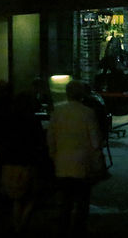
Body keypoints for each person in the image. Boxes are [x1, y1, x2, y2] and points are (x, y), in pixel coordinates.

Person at [46, 80, 103, 237]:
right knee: (82, 202)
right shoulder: (87, 113)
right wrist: (98, 162)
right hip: (82, 163)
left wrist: (53, 156)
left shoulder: (57, 112)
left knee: (66, 201)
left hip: (62, 163)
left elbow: (51, 137)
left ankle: (63, 228)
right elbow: (95, 141)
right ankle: (79, 230)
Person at [0, 92, 50, 234]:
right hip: (27, 163)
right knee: (30, 196)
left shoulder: (8, 120)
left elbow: (2, 142)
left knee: (16, 198)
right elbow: (39, 141)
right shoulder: (32, 120)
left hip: (9, 162)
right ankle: (22, 225)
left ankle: (17, 226)